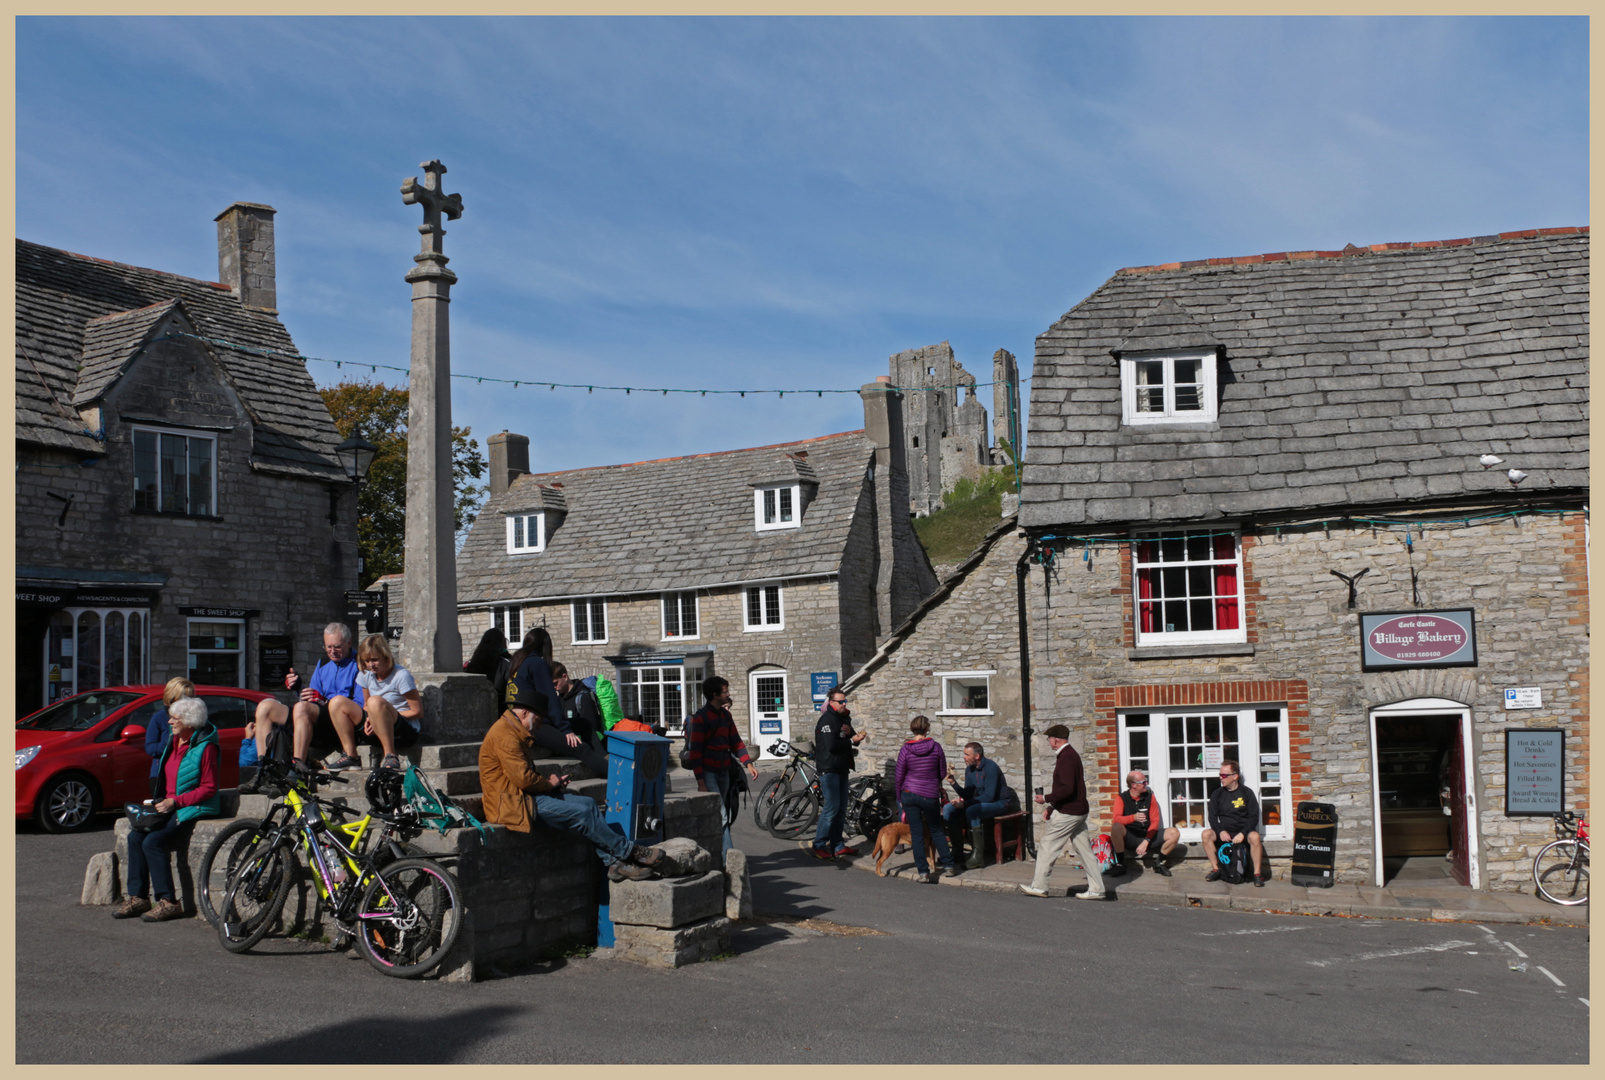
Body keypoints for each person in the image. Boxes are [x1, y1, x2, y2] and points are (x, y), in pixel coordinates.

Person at [477, 676, 664, 882]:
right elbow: (523, 779)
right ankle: (630, 852)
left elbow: (521, 775)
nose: (539, 727)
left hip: (523, 796)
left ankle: (614, 864)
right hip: (514, 803)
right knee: (583, 814)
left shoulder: (513, 731)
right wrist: (549, 783)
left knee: (589, 804)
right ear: (524, 713)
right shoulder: (505, 736)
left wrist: (550, 782)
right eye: (538, 721)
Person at [113, 695, 222, 921]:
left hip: (191, 806)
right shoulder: (174, 742)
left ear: (190, 722)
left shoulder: (206, 747)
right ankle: (138, 897)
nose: (170, 722)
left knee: (153, 842)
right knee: (135, 837)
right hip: (169, 803)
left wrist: (176, 802)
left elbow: (209, 788)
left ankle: (168, 901)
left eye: (175, 719)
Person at [242, 622, 365, 791]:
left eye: (337, 647)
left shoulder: (359, 664)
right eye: (328, 647)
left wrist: (325, 702)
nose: (332, 651)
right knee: (265, 706)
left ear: (349, 643)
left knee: (301, 708)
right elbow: (311, 700)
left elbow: (359, 706)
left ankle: (297, 769)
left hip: (340, 722)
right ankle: (263, 769)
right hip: (317, 718)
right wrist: (298, 687)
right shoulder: (323, 663)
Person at [1021, 724, 1107, 900]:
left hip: (1070, 812)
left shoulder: (1067, 757)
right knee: (1084, 850)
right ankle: (1097, 889)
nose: (1049, 741)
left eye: (1049, 738)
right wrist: (1052, 807)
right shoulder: (1070, 755)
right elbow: (1071, 789)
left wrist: (1046, 799)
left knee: (1047, 845)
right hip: (1077, 810)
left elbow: (1067, 789)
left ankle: (1039, 886)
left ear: (1055, 739)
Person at [684, 676, 759, 858]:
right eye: (725, 691)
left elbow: (736, 742)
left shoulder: (726, 716)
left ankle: (713, 854)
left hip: (724, 771)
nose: (728, 694)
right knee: (722, 815)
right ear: (715, 695)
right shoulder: (701, 718)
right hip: (708, 773)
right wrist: (701, 782)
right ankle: (729, 858)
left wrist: (748, 763)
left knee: (722, 815)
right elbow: (695, 753)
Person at [895, 715, 959, 882]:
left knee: (916, 834)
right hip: (929, 794)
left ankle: (923, 872)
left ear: (912, 728)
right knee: (936, 830)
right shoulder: (936, 747)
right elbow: (941, 772)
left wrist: (899, 796)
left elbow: (899, 775)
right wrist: (933, 784)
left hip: (909, 792)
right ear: (927, 728)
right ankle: (949, 866)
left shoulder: (906, 749)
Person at [941, 741, 1019, 870]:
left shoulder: (991, 767)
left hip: (999, 803)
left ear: (977, 756)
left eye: (967, 754)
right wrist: (953, 783)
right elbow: (968, 794)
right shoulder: (969, 769)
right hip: (979, 802)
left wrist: (965, 804)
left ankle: (978, 856)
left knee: (972, 810)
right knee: (949, 808)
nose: (964, 757)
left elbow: (990, 796)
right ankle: (957, 851)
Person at [350, 634, 423, 771]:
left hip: (404, 730)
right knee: (338, 703)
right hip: (376, 728)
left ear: (385, 656)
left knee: (375, 701)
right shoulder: (365, 674)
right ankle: (351, 756)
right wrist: (370, 719)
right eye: (366, 661)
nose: (370, 665)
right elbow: (366, 705)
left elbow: (417, 711)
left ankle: (391, 755)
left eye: (374, 660)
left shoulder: (401, 676)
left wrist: (383, 717)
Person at [810, 686, 866, 859]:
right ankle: (819, 845)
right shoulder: (827, 720)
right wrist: (850, 740)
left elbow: (850, 739)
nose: (843, 704)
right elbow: (832, 745)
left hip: (841, 767)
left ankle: (838, 845)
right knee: (831, 808)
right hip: (829, 769)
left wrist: (854, 736)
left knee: (841, 809)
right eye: (840, 701)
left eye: (845, 701)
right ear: (831, 703)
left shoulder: (844, 718)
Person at [1106, 769, 1179, 878]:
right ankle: (1120, 864)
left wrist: (1147, 840)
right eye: (1144, 782)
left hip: (1148, 835)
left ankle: (1158, 863)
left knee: (1174, 833)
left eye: (1146, 781)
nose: (1147, 784)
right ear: (1134, 785)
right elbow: (1116, 819)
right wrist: (1133, 818)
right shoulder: (1121, 798)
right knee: (1116, 827)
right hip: (1131, 837)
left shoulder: (1150, 797)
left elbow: (1155, 821)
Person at [1203, 759, 1265, 887]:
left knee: (1255, 836)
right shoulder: (1217, 794)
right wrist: (1220, 831)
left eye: (1224, 775)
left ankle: (1257, 874)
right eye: (1220, 775)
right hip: (1225, 832)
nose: (1221, 778)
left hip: (1243, 832)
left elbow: (1254, 817)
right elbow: (1212, 818)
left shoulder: (1247, 793)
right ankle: (1216, 869)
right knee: (1206, 834)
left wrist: (1243, 833)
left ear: (1235, 776)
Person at [142, 677, 195, 798]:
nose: (187, 702)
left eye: (190, 698)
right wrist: (171, 741)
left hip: (187, 774)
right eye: (183, 698)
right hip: (162, 775)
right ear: (172, 698)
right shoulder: (159, 718)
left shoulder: (195, 719)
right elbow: (150, 748)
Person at [552, 662, 602, 750]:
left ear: (565, 676)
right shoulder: (558, 699)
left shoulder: (583, 697)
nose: (554, 687)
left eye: (555, 683)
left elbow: (591, 730)